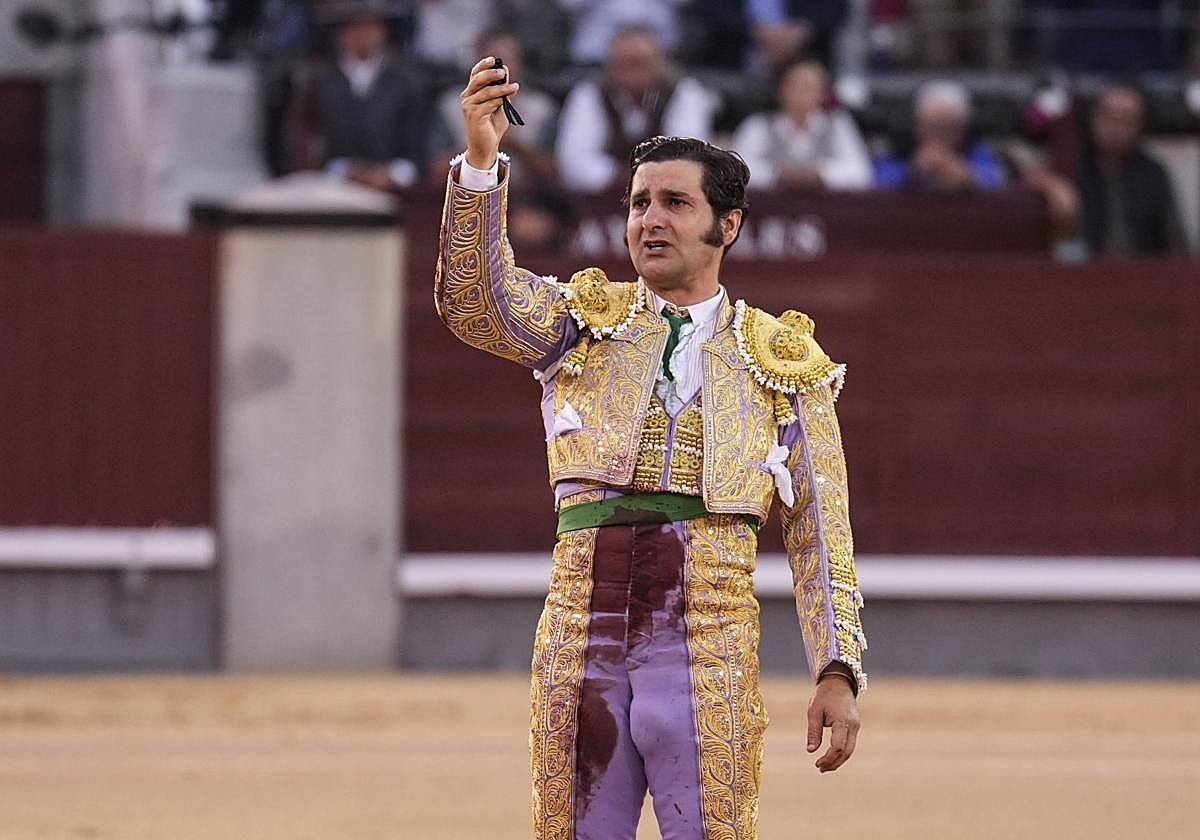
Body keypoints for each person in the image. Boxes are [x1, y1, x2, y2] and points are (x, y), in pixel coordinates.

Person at [436, 57, 867, 838]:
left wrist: (836, 668)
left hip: (707, 644)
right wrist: (479, 162)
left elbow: (819, 534)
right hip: (581, 636)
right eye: (639, 203)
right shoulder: (580, 323)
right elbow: (473, 304)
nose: (649, 221)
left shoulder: (783, 361)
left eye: (674, 203)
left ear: (726, 225)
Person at [555, 25, 718, 192]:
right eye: (624, 64)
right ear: (610, 65)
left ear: (659, 62)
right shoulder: (588, 95)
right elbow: (574, 162)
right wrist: (622, 176)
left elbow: (687, 156)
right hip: (603, 200)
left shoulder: (685, 94)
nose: (633, 72)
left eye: (640, 63)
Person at [287, 0, 428, 191]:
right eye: (352, 26)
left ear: (383, 30)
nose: (362, 34)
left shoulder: (408, 80)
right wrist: (340, 171)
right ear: (339, 33)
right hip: (331, 187)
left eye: (370, 25)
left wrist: (393, 173)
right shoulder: (318, 80)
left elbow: (421, 144)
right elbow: (302, 143)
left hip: (398, 189)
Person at [1076, 83, 1184, 257]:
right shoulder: (1074, 166)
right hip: (1084, 272)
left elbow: (1174, 239)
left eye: (1126, 120)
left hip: (1144, 273)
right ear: (1093, 118)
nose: (1115, 128)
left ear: (1140, 126)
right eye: (1109, 117)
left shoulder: (1154, 173)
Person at [731, 60, 873, 190]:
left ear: (821, 94)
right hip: (767, 210)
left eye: (807, 87)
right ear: (781, 91)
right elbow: (735, 172)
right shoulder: (758, 125)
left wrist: (821, 174)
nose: (799, 94)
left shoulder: (838, 125)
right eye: (793, 86)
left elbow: (861, 173)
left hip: (826, 209)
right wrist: (775, 173)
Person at [873, 78, 1006, 192]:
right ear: (918, 127)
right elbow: (876, 180)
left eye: (946, 128)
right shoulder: (900, 150)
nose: (938, 135)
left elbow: (996, 179)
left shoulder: (975, 150)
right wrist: (912, 172)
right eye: (931, 127)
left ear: (961, 130)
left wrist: (967, 178)